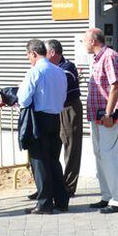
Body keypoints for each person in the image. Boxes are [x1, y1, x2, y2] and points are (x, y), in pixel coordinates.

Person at [18, 39, 69, 214]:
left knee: (39, 162)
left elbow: (23, 99)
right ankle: (61, 201)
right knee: (54, 161)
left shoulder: (35, 71)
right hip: (55, 118)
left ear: (33, 53)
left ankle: (44, 203)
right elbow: (62, 97)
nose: (28, 59)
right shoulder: (60, 71)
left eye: (28, 56)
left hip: (38, 119)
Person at [83, 28, 118, 214]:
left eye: (84, 40)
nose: (83, 44)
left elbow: (115, 86)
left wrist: (109, 115)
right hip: (99, 114)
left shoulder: (109, 56)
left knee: (108, 155)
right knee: (100, 153)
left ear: (93, 41)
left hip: (108, 114)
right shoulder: (98, 59)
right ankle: (107, 195)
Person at [45, 39, 82, 198]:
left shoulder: (67, 67)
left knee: (71, 149)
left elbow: (59, 85)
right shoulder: (48, 67)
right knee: (51, 149)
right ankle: (49, 186)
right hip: (53, 109)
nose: (41, 56)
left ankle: (68, 187)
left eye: (44, 52)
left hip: (68, 108)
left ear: (52, 52)